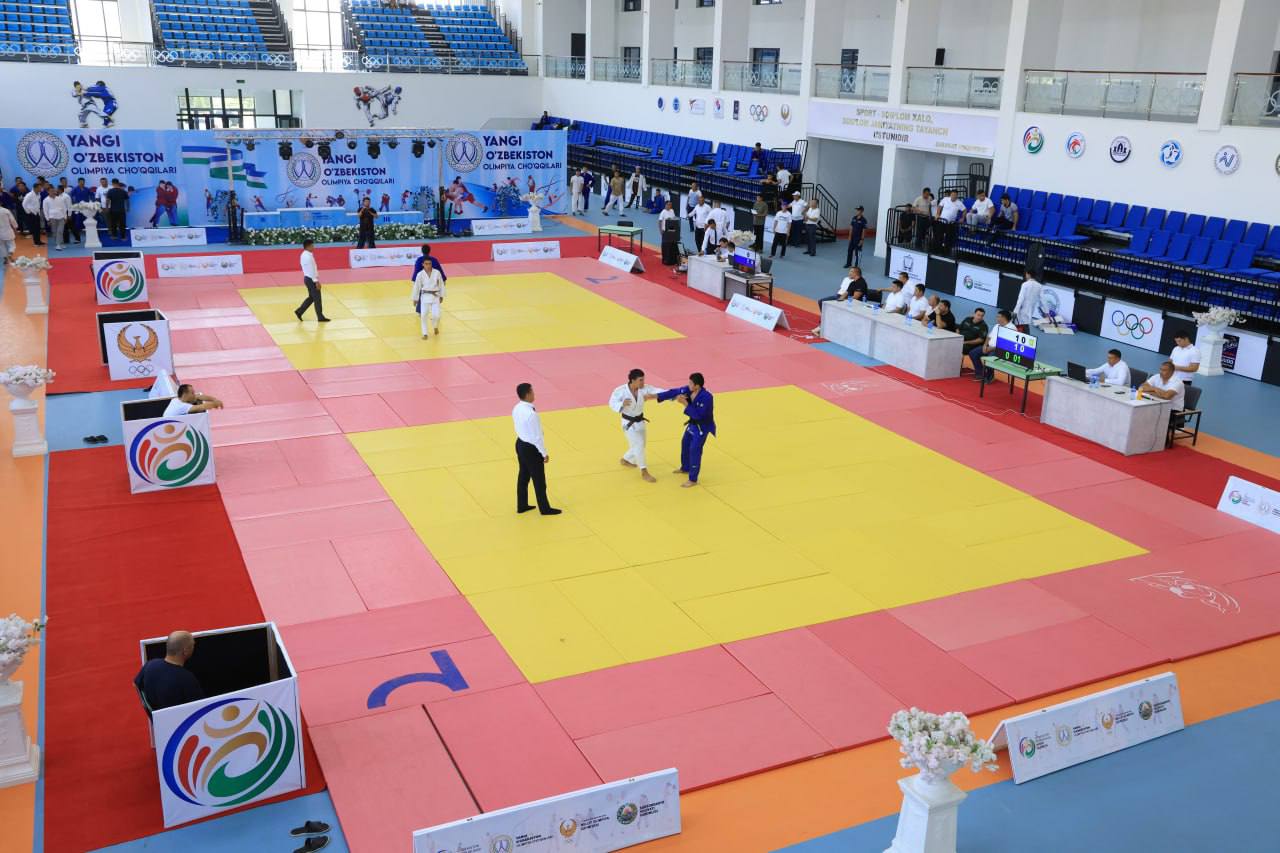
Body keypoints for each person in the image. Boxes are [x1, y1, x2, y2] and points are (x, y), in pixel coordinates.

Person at [656, 372, 716, 488]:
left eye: (691, 383)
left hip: (702, 427)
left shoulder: (707, 397)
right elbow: (675, 391)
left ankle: (693, 479)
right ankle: (685, 467)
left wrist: (685, 403)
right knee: (685, 444)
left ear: (697, 386)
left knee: (694, 450)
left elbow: (699, 416)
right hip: (692, 425)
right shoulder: (689, 390)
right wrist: (658, 396)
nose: (688, 385)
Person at [512, 382, 560, 515]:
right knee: (539, 480)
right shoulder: (531, 414)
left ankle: (522, 504)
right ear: (528, 394)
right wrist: (544, 453)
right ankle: (545, 508)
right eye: (532, 391)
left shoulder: (516, 408)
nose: (534, 394)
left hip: (520, 443)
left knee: (523, 475)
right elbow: (537, 437)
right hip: (531, 448)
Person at [609, 368, 663, 482]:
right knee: (639, 445)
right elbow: (612, 403)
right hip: (628, 423)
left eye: (643, 380)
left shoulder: (645, 389)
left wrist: (676, 394)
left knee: (641, 445)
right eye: (640, 380)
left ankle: (626, 459)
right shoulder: (621, 391)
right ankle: (644, 471)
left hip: (640, 421)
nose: (643, 382)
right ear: (632, 380)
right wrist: (621, 404)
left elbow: (659, 391)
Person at [133, 631, 204, 713]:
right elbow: (200, 708)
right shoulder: (187, 678)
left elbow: (135, 684)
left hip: (158, 719)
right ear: (185, 651)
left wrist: (150, 709)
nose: (194, 647)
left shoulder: (150, 664)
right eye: (192, 645)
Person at [971, 308, 1013, 383]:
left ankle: (990, 377)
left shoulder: (1011, 328)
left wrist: (990, 349)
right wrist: (985, 345)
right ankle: (981, 374)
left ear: (1004, 318)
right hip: (989, 347)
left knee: (989, 358)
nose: (997, 318)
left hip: (1001, 350)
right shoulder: (997, 325)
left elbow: (1005, 345)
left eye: (998, 317)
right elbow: (989, 336)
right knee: (973, 353)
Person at [294, 238, 330, 322]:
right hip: (311, 279)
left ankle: (299, 311)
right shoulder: (308, 257)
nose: (314, 247)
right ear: (308, 246)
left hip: (307, 278)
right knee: (317, 298)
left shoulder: (305, 254)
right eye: (312, 246)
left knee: (311, 298)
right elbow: (311, 270)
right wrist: (316, 281)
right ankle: (320, 317)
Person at [412, 251, 445, 338]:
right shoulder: (420, 275)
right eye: (426, 264)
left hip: (435, 296)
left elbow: (441, 284)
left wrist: (442, 295)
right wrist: (415, 298)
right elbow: (417, 287)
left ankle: (435, 326)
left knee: (436, 316)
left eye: (430, 264)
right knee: (423, 315)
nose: (428, 265)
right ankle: (425, 333)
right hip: (425, 296)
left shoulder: (437, 273)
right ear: (423, 264)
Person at [958, 307, 989, 374]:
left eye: (982, 316)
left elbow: (980, 340)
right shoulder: (967, 319)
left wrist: (966, 342)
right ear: (974, 314)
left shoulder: (983, 326)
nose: (979, 317)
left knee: (958, 348)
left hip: (972, 345)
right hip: (960, 340)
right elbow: (958, 328)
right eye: (978, 315)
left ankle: (956, 368)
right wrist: (957, 337)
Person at [43, 185, 70, 250]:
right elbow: (45, 210)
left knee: (60, 231)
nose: (52, 192)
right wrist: (47, 219)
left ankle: (58, 245)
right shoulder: (46, 200)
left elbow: (64, 208)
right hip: (52, 217)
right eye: (51, 191)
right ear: (48, 192)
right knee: (55, 232)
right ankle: (60, 243)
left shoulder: (59, 198)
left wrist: (65, 217)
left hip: (61, 217)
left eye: (53, 191)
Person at [22, 181, 43, 246]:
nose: (41, 189)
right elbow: (24, 204)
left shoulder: (39, 194)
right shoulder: (29, 195)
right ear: (35, 188)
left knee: (38, 228)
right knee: (34, 228)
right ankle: (36, 242)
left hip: (37, 213)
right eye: (40, 188)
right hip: (32, 214)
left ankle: (38, 241)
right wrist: (29, 212)